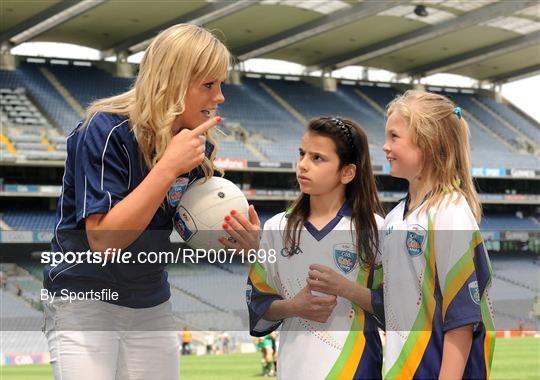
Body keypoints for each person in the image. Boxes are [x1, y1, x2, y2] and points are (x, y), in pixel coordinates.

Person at [42, 24, 229, 380]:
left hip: (150, 299)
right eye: (208, 85)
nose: (219, 97)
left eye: (220, 85)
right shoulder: (104, 128)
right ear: (171, 82)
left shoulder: (194, 144)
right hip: (85, 298)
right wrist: (168, 167)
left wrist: (233, 236)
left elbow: (182, 221)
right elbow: (103, 240)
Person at [222, 117, 385, 379]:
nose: (303, 165)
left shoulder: (376, 229)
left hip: (357, 370)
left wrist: (345, 288)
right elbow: (260, 304)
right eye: (302, 154)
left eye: (317, 158)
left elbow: (397, 308)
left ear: (347, 172)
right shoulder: (277, 228)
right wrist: (294, 306)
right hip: (293, 369)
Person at [354, 90, 496, 379]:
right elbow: (385, 302)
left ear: (428, 144)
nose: (384, 146)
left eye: (394, 137)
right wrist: (341, 288)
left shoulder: (450, 213)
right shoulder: (393, 218)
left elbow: (461, 320)